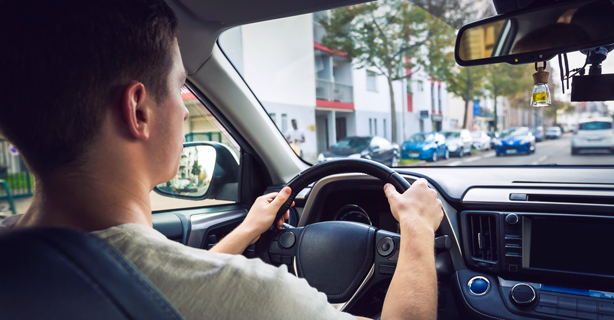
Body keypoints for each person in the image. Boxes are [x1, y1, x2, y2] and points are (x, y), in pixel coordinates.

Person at [0, 1, 443, 319]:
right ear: (138, 110)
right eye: (179, 88)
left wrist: (249, 229)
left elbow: (164, 280)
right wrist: (419, 232)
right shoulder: (256, 298)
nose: (180, 106)